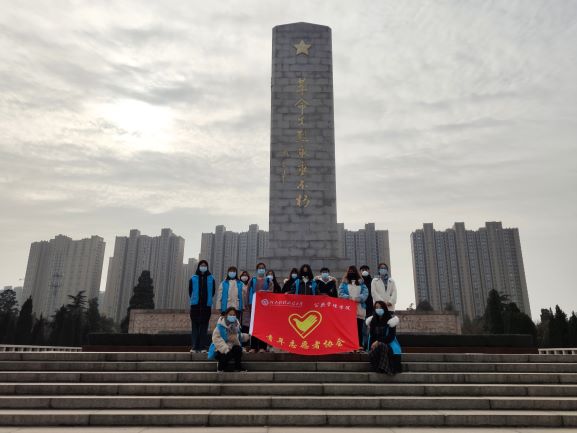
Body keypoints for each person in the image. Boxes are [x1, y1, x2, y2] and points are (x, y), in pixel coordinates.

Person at [208, 307, 249, 372]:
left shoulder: (236, 325)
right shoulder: (220, 326)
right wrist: (226, 349)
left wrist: (247, 336)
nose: (232, 316)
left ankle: (238, 367)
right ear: (226, 315)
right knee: (226, 353)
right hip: (220, 348)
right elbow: (217, 339)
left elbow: (238, 336)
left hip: (231, 346)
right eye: (230, 314)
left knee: (238, 349)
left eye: (234, 315)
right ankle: (221, 367)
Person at [365, 301, 402, 374]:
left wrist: (378, 341)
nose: (379, 309)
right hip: (376, 345)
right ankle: (381, 368)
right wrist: (371, 347)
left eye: (381, 307)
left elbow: (391, 337)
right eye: (377, 307)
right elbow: (372, 336)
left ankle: (384, 368)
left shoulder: (391, 320)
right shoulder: (373, 321)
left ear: (384, 308)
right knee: (374, 350)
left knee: (381, 345)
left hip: (388, 345)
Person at [188, 260, 216, 353]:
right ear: (198, 266)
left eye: (205, 265)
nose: (203, 267)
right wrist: (195, 299)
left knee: (204, 327)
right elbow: (190, 291)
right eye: (201, 265)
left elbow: (212, 292)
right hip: (195, 306)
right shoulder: (193, 278)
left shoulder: (211, 278)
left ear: (207, 267)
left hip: (206, 307)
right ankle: (194, 347)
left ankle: (202, 347)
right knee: (195, 327)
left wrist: (207, 300)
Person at [338, 265, 368, 351]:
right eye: (350, 271)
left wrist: (359, 298)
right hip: (348, 309)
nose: (351, 273)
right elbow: (340, 293)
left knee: (359, 328)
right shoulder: (344, 283)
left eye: (353, 271)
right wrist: (348, 298)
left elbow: (365, 293)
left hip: (359, 309)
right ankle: (349, 346)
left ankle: (359, 345)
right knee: (348, 329)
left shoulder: (361, 283)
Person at [247, 262, 270, 352]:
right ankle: (253, 347)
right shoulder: (252, 280)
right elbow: (248, 292)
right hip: (254, 306)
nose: (261, 269)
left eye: (263, 268)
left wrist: (264, 292)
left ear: (265, 269)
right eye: (259, 268)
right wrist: (248, 304)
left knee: (264, 327)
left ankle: (262, 347)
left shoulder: (268, 281)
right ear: (257, 270)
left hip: (264, 307)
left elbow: (271, 292)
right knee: (254, 327)